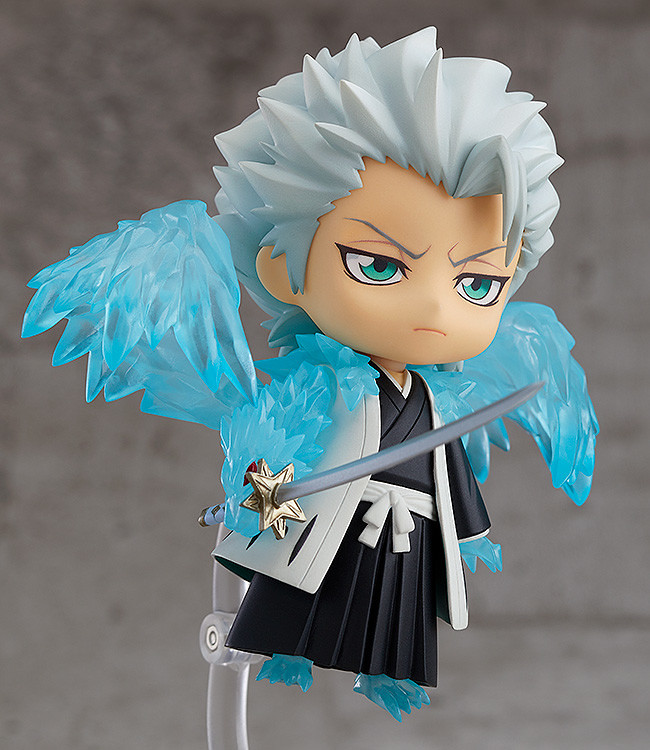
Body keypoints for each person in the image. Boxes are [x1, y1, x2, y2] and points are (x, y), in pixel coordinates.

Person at [22, 28, 598, 721]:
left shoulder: (432, 397)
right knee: (298, 616)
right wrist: (265, 496)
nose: (434, 310)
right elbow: (266, 445)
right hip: (321, 528)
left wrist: (469, 533)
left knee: (389, 631)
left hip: (405, 544)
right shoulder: (321, 385)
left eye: (477, 284)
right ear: (281, 266)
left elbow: (448, 475)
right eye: (379, 266)